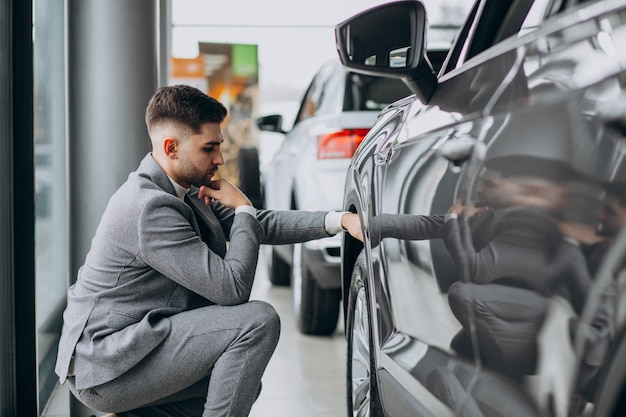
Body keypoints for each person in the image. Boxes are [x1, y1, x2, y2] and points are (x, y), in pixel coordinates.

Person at [54, 84, 360, 417]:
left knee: (239, 379)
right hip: (108, 368)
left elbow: (260, 224)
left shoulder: (181, 190)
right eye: (209, 148)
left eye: (219, 146)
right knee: (256, 322)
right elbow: (232, 289)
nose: (219, 159)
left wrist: (339, 220)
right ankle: (123, 407)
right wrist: (243, 207)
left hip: (132, 346)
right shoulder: (150, 207)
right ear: (171, 148)